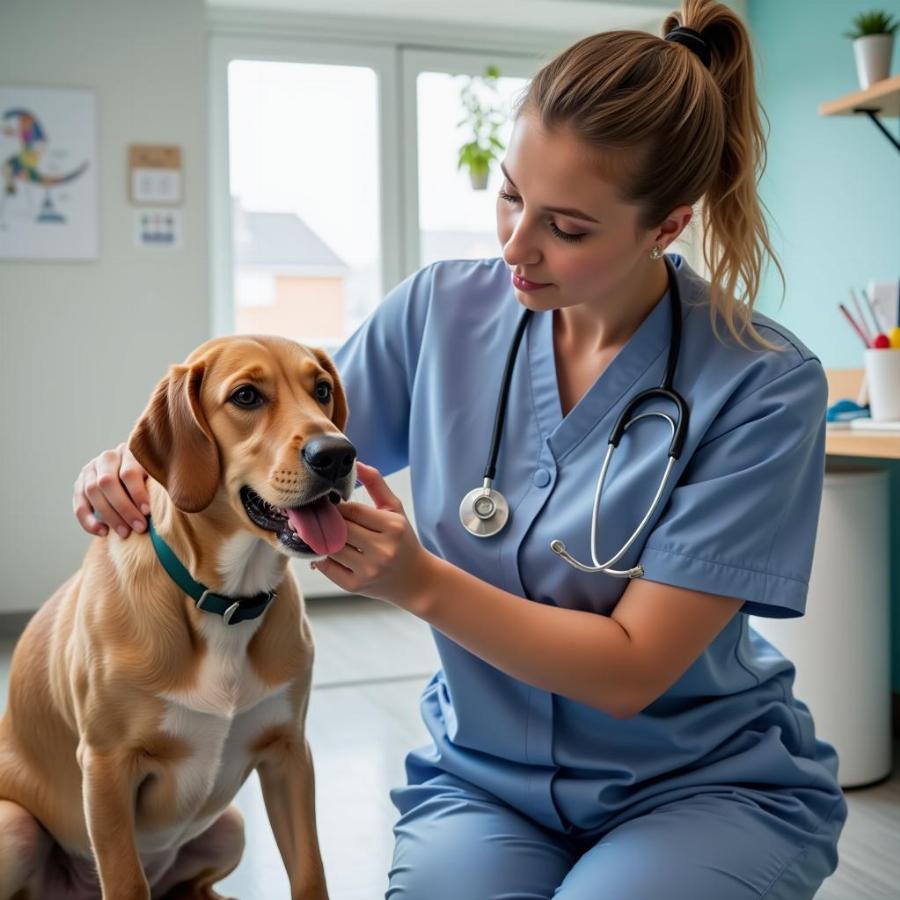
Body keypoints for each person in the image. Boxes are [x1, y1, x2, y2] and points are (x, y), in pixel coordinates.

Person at [72, 1, 848, 896]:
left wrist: (419, 582)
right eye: (512, 194)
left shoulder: (764, 383)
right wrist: (129, 464)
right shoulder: (441, 311)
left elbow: (635, 668)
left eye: (568, 226)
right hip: (489, 784)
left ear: (666, 227)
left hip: (700, 788)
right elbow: (277, 443)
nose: (516, 246)